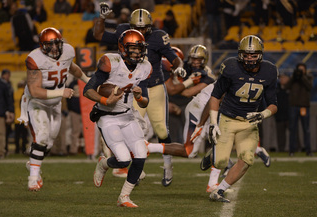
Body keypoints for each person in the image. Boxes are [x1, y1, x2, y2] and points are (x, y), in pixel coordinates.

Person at [93, 4, 188, 187]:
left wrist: (179, 67)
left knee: (161, 129)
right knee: (136, 130)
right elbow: (99, 35)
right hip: (133, 88)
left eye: (143, 27)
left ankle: (167, 166)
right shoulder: (124, 33)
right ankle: (131, 168)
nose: (140, 31)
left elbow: (173, 56)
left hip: (155, 86)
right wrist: (102, 18)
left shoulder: (158, 37)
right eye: (136, 27)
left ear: (150, 26)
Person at [192, 35, 278, 202]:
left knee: (247, 159)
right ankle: (213, 155)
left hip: (249, 123)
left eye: (253, 55)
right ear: (240, 55)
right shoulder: (231, 67)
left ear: (260, 55)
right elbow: (216, 96)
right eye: (246, 55)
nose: (250, 59)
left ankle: (220, 191)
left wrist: (263, 114)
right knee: (221, 161)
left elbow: (273, 104)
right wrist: (213, 123)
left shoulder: (269, 71)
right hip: (228, 118)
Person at [83, 29, 151, 208]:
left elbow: (145, 103)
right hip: (107, 116)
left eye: (140, 48)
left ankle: (124, 197)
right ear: (122, 48)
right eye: (134, 48)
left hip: (128, 116)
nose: (138, 52)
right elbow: (88, 90)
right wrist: (106, 99)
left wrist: (139, 97)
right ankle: (104, 164)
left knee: (141, 155)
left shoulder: (144, 67)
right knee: (122, 160)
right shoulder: (111, 62)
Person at [18, 27, 90, 191]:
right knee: (42, 136)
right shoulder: (35, 59)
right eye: (50, 45)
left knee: (49, 143)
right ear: (42, 46)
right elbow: (35, 91)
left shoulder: (68, 51)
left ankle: (32, 163)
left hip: (55, 103)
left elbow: (71, 67)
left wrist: (88, 80)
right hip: (37, 102)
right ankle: (33, 178)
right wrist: (61, 92)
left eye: (57, 44)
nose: (55, 48)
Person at [285, 63, 313, 156]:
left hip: (304, 106)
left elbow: (309, 87)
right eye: (299, 70)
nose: (300, 71)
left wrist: (302, 77)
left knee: (306, 129)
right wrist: (294, 77)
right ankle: (291, 150)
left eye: (302, 70)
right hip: (293, 106)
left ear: (305, 70)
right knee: (292, 129)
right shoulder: (293, 79)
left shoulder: (308, 77)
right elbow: (286, 86)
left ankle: (308, 150)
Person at [0, 73, 14, 159]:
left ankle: (0, 153)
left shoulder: (3, 85)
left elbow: (8, 99)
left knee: (0, 134)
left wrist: (10, 111)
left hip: (0, 113)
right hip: (0, 112)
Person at [14, 80, 28, 154]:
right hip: (24, 118)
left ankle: (16, 150)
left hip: (17, 118)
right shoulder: (25, 94)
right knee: (24, 136)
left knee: (17, 136)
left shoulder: (14, 94)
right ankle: (23, 149)